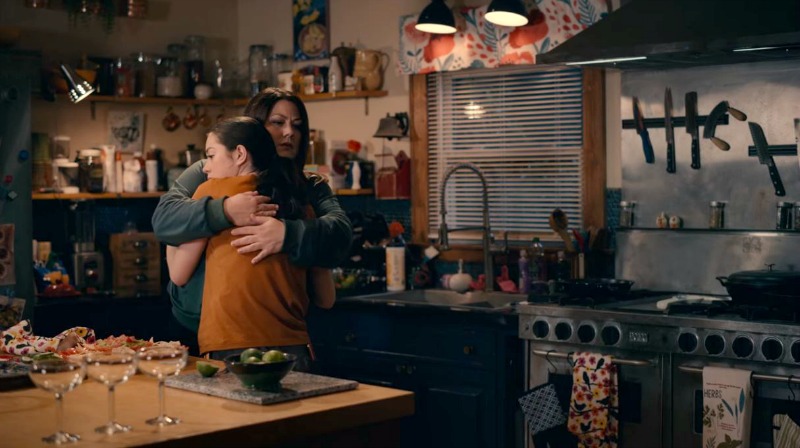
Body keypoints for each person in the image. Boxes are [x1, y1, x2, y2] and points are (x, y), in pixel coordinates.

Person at [151, 88, 352, 363]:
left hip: (253, 335)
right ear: (254, 128)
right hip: (221, 328)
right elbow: (164, 217)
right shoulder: (209, 171)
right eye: (278, 123)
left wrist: (287, 234)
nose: (289, 133)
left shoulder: (307, 187)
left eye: (297, 125)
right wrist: (224, 210)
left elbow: (340, 231)